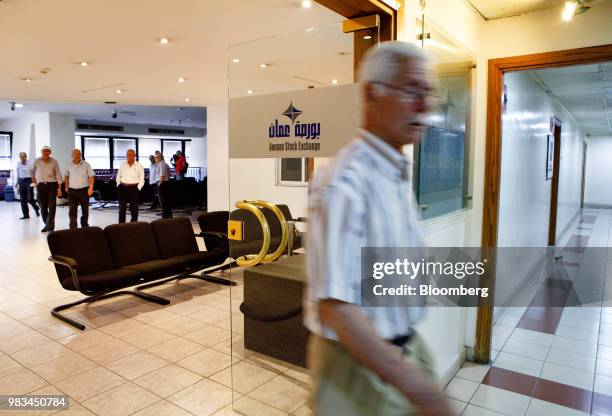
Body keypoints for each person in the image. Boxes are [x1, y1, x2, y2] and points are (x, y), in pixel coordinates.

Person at [305, 42, 455, 416]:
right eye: (412, 91)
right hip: (354, 372)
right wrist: (423, 392)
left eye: (428, 93)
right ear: (373, 94)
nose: (425, 106)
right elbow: (337, 308)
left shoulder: (394, 172)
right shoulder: (345, 183)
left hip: (403, 351)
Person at [32, 146, 62, 232]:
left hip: (52, 186)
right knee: (43, 207)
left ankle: (49, 227)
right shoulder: (37, 161)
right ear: (41, 152)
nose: (45, 153)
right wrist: (35, 183)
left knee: (52, 207)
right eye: (44, 151)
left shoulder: (54, 162)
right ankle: (48, 225)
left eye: (47, 151)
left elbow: (58, 174)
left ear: (50, 152)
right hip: (40, 186)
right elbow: (32, 172)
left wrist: (59, 189)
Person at [64, 148, 95, 229]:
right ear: (72, 155)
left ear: (80, 155)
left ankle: (84, 225)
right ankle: (73, 226)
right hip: (72, 191)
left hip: (84, 190)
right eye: (75, 154)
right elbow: (66, 176)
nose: (77, 155)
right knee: (72, 210)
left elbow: (91, 176)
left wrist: (91, 187)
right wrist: (66, 186)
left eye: (79, 154)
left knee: (85, 210)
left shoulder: (86, 164)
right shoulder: (68, 164)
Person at [115, 148, 144, 223]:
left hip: (134, 188)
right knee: (122, 208)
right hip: (122, 188)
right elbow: (118, 176)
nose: (129, 156)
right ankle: (121, 225)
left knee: (134, 209)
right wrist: (118, 185)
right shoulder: (122, 164)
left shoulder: (139, 165)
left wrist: (138, 188)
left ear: (134, 155)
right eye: (127, 155)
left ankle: (133, 225)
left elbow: (142, 179)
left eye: (131, 155)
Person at [14, 152, 40, 219]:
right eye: (21, 157)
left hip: (29, 181)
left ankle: (36, 208)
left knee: (30, 199)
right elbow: (18, 174)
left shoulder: (31, 163)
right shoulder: (18, 163)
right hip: (21, 181)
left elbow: (34, 173)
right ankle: (26, 215)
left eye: (23, 157)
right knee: (22, 200)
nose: (22, 158)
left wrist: (35, 182)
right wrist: (17, 183)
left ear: (26, 157)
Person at [155, 153, 172, 218]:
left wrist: (159, 184)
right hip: (166, 183)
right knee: (166, 201)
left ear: (160, 157)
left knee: (163, 201)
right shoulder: (165, 164)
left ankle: (165, 216)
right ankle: (168, 215)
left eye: (156, 157)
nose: (155, 158)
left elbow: (162, 175)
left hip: (162, 183)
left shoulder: (161, 164)